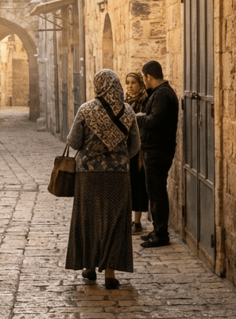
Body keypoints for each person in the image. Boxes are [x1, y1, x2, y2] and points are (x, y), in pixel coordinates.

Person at [65, 69, 141, 290]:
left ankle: (89, 266)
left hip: (88, 176)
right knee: (115, 222)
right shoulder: (127, 111)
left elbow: (74, 142)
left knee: (88, 219)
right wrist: (118, 156)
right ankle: (110, 273)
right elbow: (135, 146)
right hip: (118, 176)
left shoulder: (86, 110)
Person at [136, 60, 179, 248]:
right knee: (154, 192)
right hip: (154, 149)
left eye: (143, 78)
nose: (143, 82)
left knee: (158, 193)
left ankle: (161, 234)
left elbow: (155, 120)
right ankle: (157, 229)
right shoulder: (159, 93)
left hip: (157, 151)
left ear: (149, 77)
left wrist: (139, 118)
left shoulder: (162, 95)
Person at [124, 72, 150, 234]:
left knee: (138, 184)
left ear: (140, 84)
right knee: (126, 184)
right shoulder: (124, 102)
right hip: (125, 148)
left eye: (133, 82)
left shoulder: (144, 101)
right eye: (127, 82)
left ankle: (137, 222)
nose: (130, 85)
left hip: (139, 149)